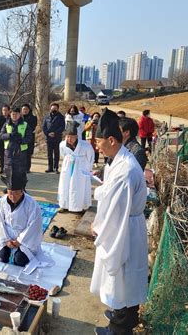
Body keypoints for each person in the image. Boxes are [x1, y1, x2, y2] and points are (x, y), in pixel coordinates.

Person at [90, 108, 148, 335]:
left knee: (124, 277)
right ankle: (118, 315)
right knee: (123, 279)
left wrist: (100, 230)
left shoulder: (125, 171)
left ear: (111, 140)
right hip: (126, 224)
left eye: (98, 141)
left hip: (124, 229)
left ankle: (119, 329)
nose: (96, 146)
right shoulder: (119, 159)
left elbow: (116, 213)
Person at [0, 172, 54, 268]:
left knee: (19, 260)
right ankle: (7, 247)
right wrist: (6, 240)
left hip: (26, 239)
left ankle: (19, 251)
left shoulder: (31, 204)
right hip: (7, 236)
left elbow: (34, 226)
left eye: (15, 194)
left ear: (22, 191)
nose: (12, 197)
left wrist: (20, 241)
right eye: (10, 193)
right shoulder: (2, 201)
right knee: (2, 257)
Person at [58, 126, 94, 213]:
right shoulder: (62, 144)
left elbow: (90, 157)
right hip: (68, 166)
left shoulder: (85, 145)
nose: (69, 139)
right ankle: (64, 205)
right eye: (68, 136)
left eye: (72, 137)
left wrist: (88, 169)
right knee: (65, 185)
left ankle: (81, 206)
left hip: (81, 167)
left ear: (77, 136)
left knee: (79, 187)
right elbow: (63, 154)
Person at [0, 107, 32, 183]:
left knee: (20, 170)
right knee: (9, 169)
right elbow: (1, 135)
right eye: (13, 114)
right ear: (10, 114)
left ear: (20, 114)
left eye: (16, 114)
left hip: (20, 151)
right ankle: (9, 187)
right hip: (9, 151)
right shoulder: (6, 124)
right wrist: (9, 135)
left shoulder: (25, 124)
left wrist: (21, 140)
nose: (14, 116)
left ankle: (21, 188)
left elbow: (29, 137)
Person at [42, 103, 65, 173]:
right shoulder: (46, 117)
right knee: (49, 154)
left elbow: (62, 127)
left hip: (57, 138)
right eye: (52, 108)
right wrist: (48, 133)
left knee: (56, 153)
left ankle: (56, 168)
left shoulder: (61, 117)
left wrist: (55, 133)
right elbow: (44, 127)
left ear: (58, 109)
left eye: (55, 108)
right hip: (48, 138)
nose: (53, 110)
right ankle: (50, 167)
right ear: (50, 108)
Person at [21, 104, 37, 173]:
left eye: (26, 109)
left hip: (29, 138)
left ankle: (27, 168)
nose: (25, 110)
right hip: (20, 138)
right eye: (23, 109)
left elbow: (32, 127)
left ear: (29, 110)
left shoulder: (33, 118)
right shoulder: (19, 118)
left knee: (28, 153)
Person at [0, 104, 11, 174]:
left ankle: (8, 168)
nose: (4, 112)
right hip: (1, 139)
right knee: (1, 155)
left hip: (10, 139)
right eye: (3, 110)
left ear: (9, 111)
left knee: (9, 154)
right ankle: (1, 168)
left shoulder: (11, 118)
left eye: (6, 110)